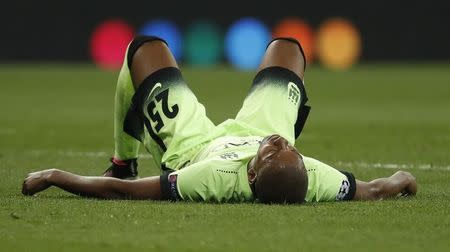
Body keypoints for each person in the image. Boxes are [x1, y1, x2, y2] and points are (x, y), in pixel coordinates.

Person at [22, 36, 417, 203]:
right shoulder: (312, 177)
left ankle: (121, 161)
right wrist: (404, 180)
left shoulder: (210, 177)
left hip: (195, 147)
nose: (281, 143)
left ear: (250, 174)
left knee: (143, 49)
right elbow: (377, 189)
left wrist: (55, 175)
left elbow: (122, 194)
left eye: (273, 151)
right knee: (288, 48)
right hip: (254, 130)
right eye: (288, 149)